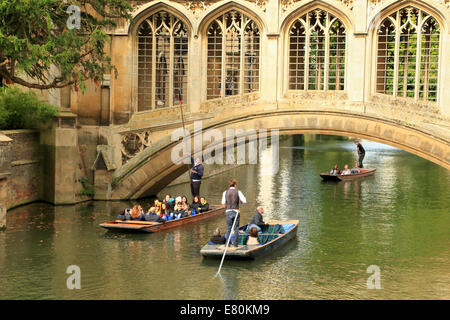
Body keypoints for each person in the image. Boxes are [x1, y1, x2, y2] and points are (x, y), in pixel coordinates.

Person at [221, 178, 247, 247]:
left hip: (228, 211)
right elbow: (244, 201)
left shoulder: (225, 192)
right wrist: (240, 202)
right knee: (236, 228)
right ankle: (235, 244)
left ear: (229, 185)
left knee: (228, 228)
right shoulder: (238, 192)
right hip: (236, 211)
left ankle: (227, 244)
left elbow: (223, 204)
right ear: (235, 185)